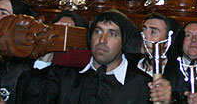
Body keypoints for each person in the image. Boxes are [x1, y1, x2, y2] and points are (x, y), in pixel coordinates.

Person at [19, 9, 167, 104]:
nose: (102, 40)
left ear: (124, 41)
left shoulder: (143, 85)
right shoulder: (65, 75)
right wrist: (45, 57)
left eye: (112, 34)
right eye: (98, 32)